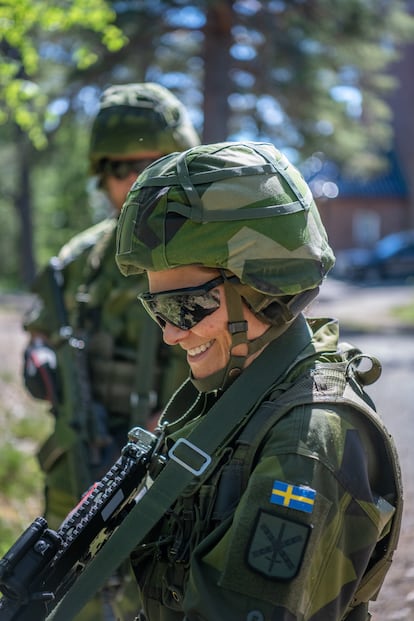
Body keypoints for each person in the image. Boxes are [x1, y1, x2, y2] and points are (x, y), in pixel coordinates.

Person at [113, 140, 403, 620]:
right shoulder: (240, 393)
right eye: (156, 307)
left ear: (263, 287)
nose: (169, 334)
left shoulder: (303, 441)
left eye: (184, 307)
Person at [22, 82, 200, 620]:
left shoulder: (215, 254)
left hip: (179, 476)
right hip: (79, 473)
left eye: (156, 163)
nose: (139, 180)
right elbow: (39, 342)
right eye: (123, 168)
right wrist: (41, 367)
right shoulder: (80, 263)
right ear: (102, 175)